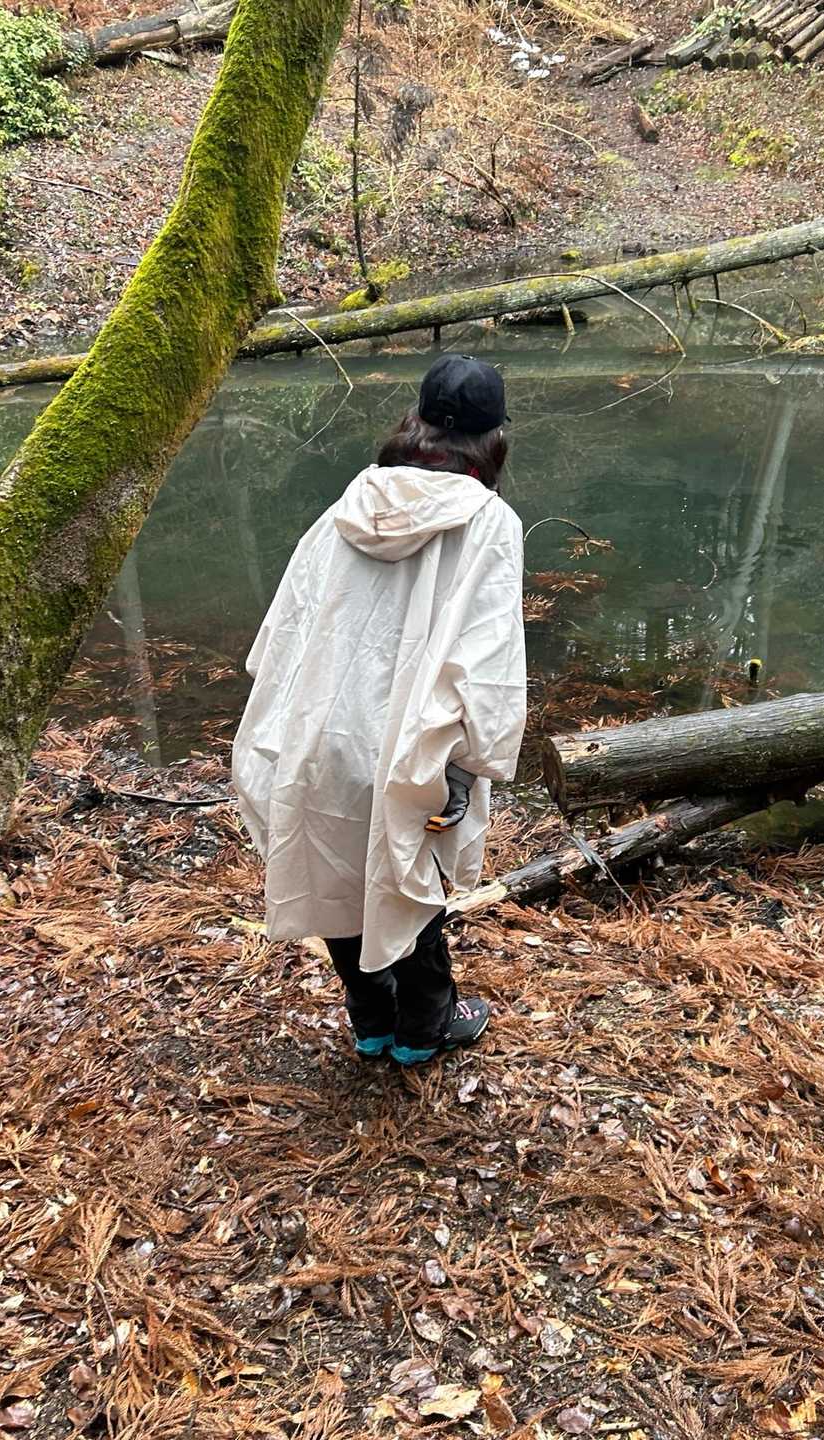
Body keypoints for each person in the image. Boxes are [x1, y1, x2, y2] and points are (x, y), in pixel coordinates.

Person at [232, 355, 526, 1066]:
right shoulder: (490, 522)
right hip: (412, 743)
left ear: (416, 421)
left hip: (318, 731)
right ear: (492, 439)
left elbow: (285, 629)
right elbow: (488, 663)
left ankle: (371, 1021)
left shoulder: (351, 503)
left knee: (333, 869)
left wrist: (282, 727)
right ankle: (425, 1028)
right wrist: (467, 765)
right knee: (407, 879)